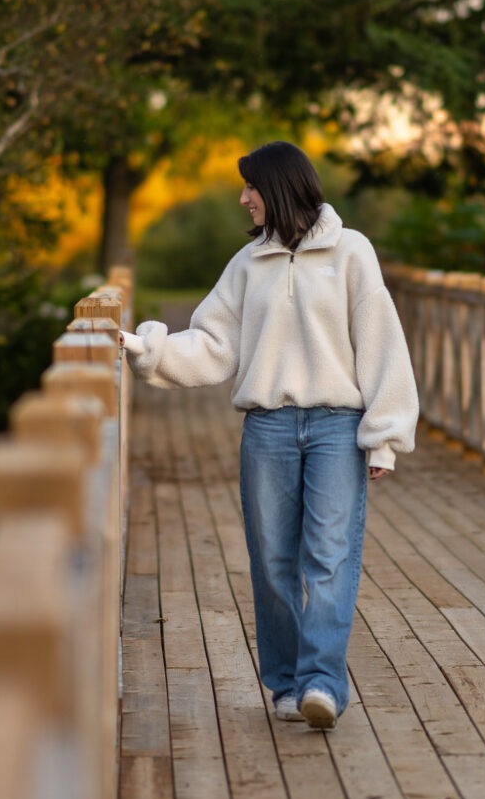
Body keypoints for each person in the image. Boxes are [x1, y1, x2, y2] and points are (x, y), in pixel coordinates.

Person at [120, 141, 418, 731]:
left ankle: (323, 684)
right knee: (273, 560)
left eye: (250, 187)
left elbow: (382, 344)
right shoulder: (247, 264)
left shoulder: (352, 252)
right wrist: (146, 349)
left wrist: (383, 436)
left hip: (338, 426)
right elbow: (212, 343)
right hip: (268, 428)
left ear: (277, 187)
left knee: (329, 558)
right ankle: (286, 684)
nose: (242, 198)